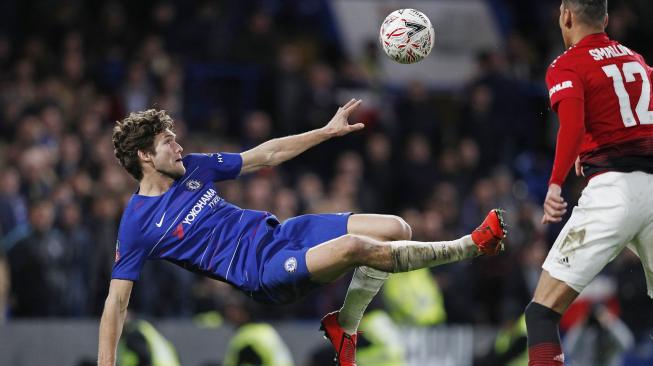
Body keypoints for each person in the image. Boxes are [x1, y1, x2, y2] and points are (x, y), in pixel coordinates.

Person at [98, 101, 507, 366]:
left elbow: (267, 154)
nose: (180, 147)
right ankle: (469, 246)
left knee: (396, 228)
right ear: (145, 156)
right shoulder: (137, 223)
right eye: (169, 142)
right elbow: (116, 304)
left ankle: (344, 324)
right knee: (354, 248)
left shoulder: (195, 168)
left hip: (284, 233)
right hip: (264, 270)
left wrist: (325, 132)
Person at [526, 1, 653, 365]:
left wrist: (554, 184)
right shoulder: (637, 61)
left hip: (612, 194)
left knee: (541, 312)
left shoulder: (566, 63)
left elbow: (574, 124)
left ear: (565, 16)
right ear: (607, 20)